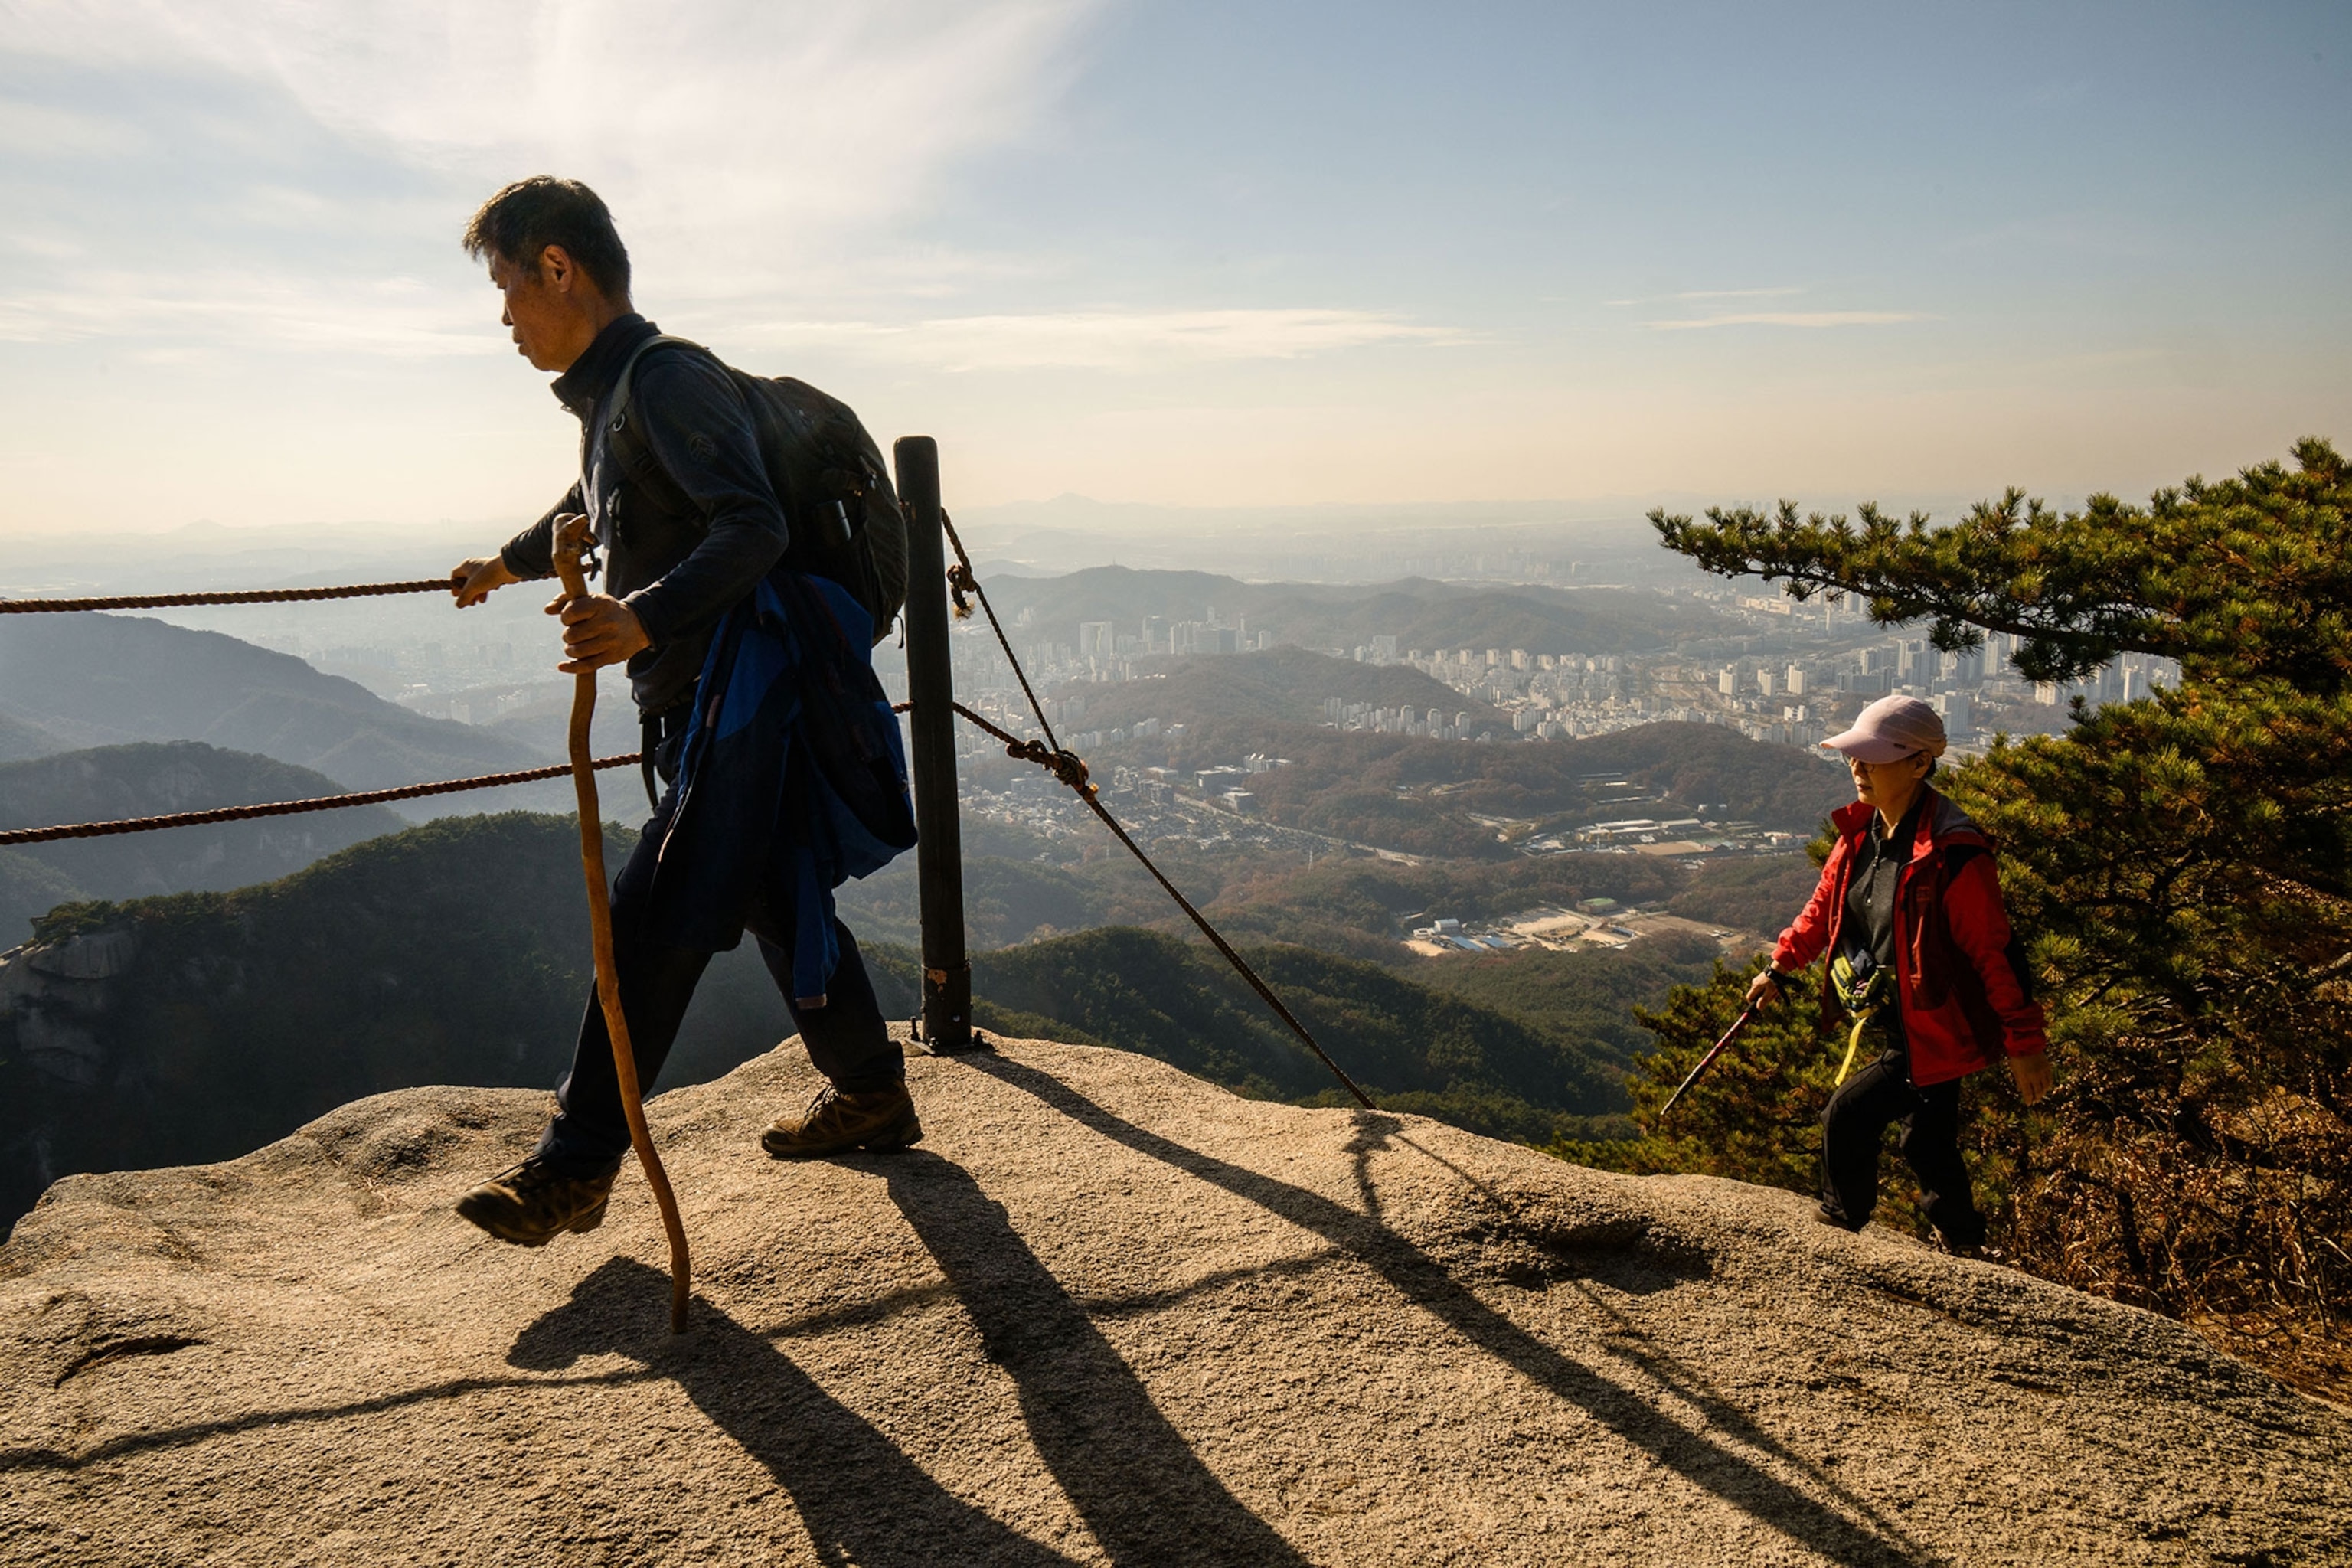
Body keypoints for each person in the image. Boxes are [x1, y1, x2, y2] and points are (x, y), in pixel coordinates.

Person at [444, 176, 918, 1248]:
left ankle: (573, 1169)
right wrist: (506, 568)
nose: (507, 318)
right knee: (774, 897)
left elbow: (748, 526)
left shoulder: (665, 381)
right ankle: (875, 1095)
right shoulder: (619, 401)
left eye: (511, 290)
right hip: (715, 701)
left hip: (738, 702)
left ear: (559, 267)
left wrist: (641, 620)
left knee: (652, 917)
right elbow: (601, 505)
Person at [1743, 693, 2051, 1253]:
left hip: (1936, 1024)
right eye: (1854, 757)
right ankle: (1963, 1243)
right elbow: (1822, 911)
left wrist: (2024, 1041)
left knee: (1847, 1114)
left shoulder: (1953, 853)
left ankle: (1843, 1227)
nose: (1858, 768)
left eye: (1874, 757)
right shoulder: (1862, 834)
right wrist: (1779, 967)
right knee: (1927, 1143)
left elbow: (1995, 952)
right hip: (1897, 1013)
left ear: (1919, 763)